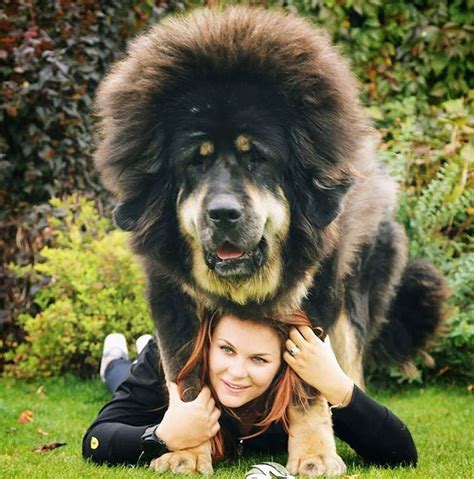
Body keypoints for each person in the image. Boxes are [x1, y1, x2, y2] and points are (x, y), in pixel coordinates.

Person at [82, 312, 417, 470]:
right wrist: (162, 435)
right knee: (121, 380)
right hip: (152, 372)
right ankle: (113, 359)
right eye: (226, 349)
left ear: (282, 364)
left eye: (258, 359)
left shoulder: (298, 381)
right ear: (209, 342)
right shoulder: (171, 357)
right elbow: (96, 439)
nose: (237, 373)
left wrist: (337, 384)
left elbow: (401, 454)